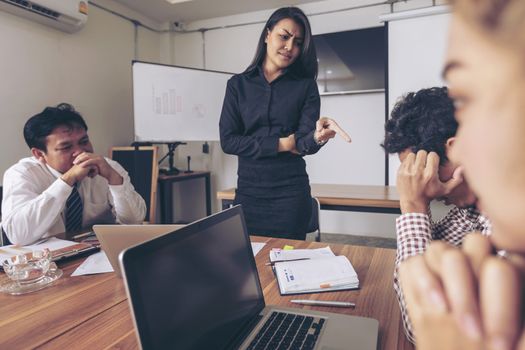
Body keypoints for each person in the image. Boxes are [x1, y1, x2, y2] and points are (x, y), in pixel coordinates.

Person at [398, 0, 525, 348]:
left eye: (466, 100)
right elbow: (423, 278)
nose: (461, 150)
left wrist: (412, 207)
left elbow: (419, 317)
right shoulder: (470, 215)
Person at [219, 7, 350, 240]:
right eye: (284, 36)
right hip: (249, 195)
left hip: (290, 197)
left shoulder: (306, 86)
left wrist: (316, 138)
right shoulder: (237, 85)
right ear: (267, 34)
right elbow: (229, 141)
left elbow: (303, 143)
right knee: (252, 265)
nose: (290, 47)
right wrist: (282, 144)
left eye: (298, 42)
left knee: (290, 265)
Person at [382, 86, 491, 342]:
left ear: (457, 150)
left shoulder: (506, 220)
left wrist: (413, 204)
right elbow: (431, 257)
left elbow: (422, 326)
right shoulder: (469, 210)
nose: (420, 180)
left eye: (420, 168)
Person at [1, 103, 147, 245]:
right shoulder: (22, 174)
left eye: (84, 141)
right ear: (39, 154)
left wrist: (114, 179)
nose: (80, 152)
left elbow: (134, 222)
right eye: (66, 147)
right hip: (46, 262)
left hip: (98, 255)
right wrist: (67, 180)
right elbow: (18, 236)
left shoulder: (108, 167)